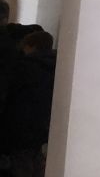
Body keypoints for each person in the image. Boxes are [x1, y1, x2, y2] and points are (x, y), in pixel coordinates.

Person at [2, 30, 57, 177]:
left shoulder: (25, 67)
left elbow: (12, 95)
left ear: (32, 46)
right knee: (36, 160)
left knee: (21, 164)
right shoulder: (56, 66)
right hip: (44, 124)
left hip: (21, 125)